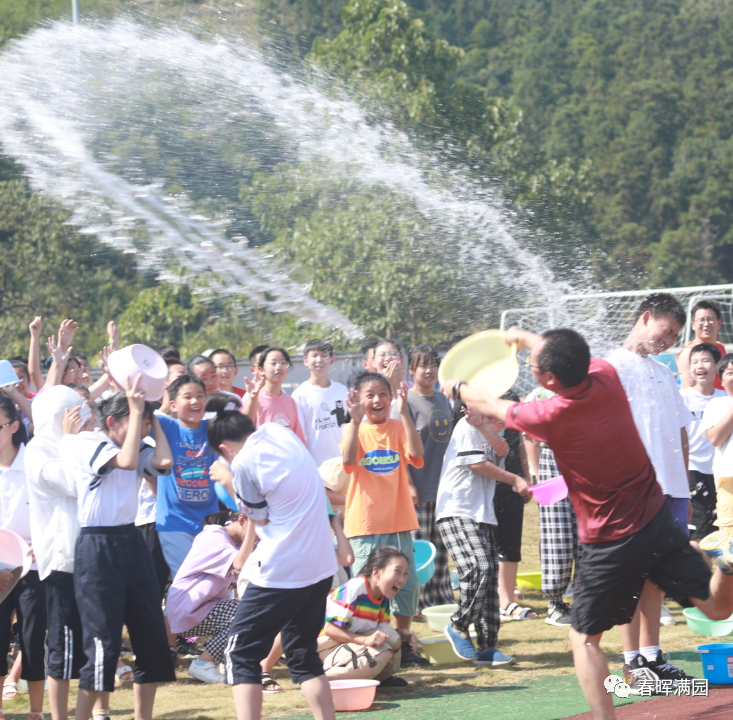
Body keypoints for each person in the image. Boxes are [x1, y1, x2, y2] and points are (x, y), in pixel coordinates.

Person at [440, 326, 733, 720]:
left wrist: (457, 388)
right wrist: (524, 338)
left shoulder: (549, 413)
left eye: (534, 366)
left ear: (548, 381)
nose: (529, 366)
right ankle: (727, 565)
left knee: (585, 642)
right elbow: (563, 354)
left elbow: (492, 405)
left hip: (609, 539)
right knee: (715, 609)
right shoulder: (606, 377)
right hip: (656, 519)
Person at [208, 409, 338, 720]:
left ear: (224, 448)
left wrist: (228, 480)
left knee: (239, 653)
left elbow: (259, 518)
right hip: (319, 564)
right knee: (303, 654)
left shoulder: (241, 464)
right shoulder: (282, 433)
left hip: (282, 570)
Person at [61, 381, 176, 720]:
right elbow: (125, 461)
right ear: (112, 422)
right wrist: (138, 409)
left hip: (131, 542)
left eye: (144, 423)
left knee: (151, 636)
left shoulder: (138, 445)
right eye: (136, 420)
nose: (142, 429)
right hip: (97, 548)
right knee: (102, 644)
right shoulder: (88, 442)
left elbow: (165, 461)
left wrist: (151, 418)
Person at [607, 293, 694, 689]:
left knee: (657, 575)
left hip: (672, 489)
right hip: (632, 490)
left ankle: (653, 657)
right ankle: (631, 661)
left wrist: (685, 487)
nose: (668, 341)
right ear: (646, 318)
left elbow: (680, 431)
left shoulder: (663, 372)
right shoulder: (610, 366)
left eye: (675, 336)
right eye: (666, 331)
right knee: (631, 573)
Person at [25, 386, 114, 720]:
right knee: (62, 646)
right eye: (77, 414)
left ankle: (99, 712)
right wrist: (69, 439)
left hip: (97, 555)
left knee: (101, 642)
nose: (86, 421)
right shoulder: (38, 450)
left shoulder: (79, 442)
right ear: (59, 418)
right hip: (63, 561)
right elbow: (72, 480)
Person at [341, 372, 427, 668]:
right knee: (364, 590)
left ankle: (404, 643)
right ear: (358, 399)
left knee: (408, 584)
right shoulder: (354, 428)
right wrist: (353, 421)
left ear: (392, 398)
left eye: (382, 394)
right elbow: (350, 462)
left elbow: (416, 455)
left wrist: (405, 414)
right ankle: (363, 647)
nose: (376, 400)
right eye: (369, 395)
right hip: (364, 525)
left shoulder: (398, 425)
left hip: (399, 522)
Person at [437, 405, 530, 665]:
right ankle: (458, 625)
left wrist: (483, 425)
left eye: (498, 419)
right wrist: (516, 479)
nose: (495, 422)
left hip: (482, 514)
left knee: (489, 585)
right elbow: (477, 464)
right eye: (490, 417)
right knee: (481, 567)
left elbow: (503, 451)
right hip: (457, 510)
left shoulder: (484, 431)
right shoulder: (466, 427)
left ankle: (488, 648)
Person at [167, 510, 256, 684]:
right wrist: (252, 527)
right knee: (250, 612)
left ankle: (227, 660)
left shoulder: (241, 543)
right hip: (189, 607)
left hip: (208, 606)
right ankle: (203, 663)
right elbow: (240, 564)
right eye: (258, 526)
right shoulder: (213, 536)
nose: (259, 534)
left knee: (260, 610)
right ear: (241, 519)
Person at [0, 396, 46, 720]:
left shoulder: (33, 462)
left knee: (31, 635)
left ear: (14, 426)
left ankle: (35, 711)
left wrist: (41, 544)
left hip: (33, 563)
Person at [318, 546, 415, 687]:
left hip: (343, 645)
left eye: (406, 573)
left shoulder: (383, 595)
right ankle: (318, 678)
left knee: (393, 638)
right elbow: (330, 630)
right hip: (322, 649)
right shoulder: (355, 588)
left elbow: (382, 634)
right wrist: (365, 640)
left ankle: (381, 679)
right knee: (383, 653)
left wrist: (402, 633)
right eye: (397, 571)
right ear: (376, 571)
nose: (401, 579)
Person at [405, 345, 455, 610]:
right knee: (421, 546)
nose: (429, 370)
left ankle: (443, 595)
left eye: (433, 364)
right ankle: (420, 599)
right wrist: (409, 484)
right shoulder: (406, 403)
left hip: (444, 485)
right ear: (411, 370)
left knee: (443, 544)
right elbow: (399, 448)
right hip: (419, 485)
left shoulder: (443, 398)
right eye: (422, 365)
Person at [155, 375, 219, 580]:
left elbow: (241, 424)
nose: (195, 401)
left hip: (209, 522)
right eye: (188, 397)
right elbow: (144, 414)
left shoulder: (212, 428)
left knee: (213, 581)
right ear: (173, 404)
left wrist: (252, 398)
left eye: (200, 396)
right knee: (186, 580)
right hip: (174, 523)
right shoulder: (167, 426)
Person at [524, 387, 577, 626]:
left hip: (584, 460)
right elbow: (529, 438)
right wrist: (537, 476)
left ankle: (587, 597)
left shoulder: (584, 387)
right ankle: (555, 602)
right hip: (551, 464)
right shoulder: (537, 396)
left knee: (589, 533)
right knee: (558, 536)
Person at [494, 390, 535, 621]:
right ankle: (491, 599)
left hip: (513, 487)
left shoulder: (511, 400)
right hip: (485, 487)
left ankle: (508, 601)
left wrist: (525, 476)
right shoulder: (476, 402)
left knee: (510, 544)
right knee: (487, 546)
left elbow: (519, 442)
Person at [681, 343, 725, 549]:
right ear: (690, 369)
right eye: (695, 362)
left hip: (719, 472)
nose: (700, 365)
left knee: (718, 528)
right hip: (692, 469)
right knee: (697, 528)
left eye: (706, 360)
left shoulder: (724, 399)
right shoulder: (682, 398)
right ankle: (699, 578)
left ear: (716, 366)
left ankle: (713, 576)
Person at [292, 340, 348, 466]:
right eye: (314, 355)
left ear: (332, 360)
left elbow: (350, 426)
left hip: (344, 463)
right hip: (317, 467)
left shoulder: (342, 390)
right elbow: (299, 436)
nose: (319, 360)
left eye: (324, 355)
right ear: (305, 360)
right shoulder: (299, 395)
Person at [699, 353, 733, 562]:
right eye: (731, 373)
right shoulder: (717, 405)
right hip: (729, 480)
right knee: (730, 545)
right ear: (722, 378)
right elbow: (715, 438)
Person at [242, 347, 306, 444]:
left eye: (283, 363)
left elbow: (298, 440)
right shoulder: (253, 397)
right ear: (261, 369)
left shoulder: (290, 401)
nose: (279, 367)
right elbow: (242, 429)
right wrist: (252, 398)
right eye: (273, 363)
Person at [677, 300, 726, 390]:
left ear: (719, 323)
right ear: (693, 325)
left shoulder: (720, 347)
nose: (706, 324)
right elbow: (689, 392)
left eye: (711, 319)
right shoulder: (687, 353)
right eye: (701, 320)